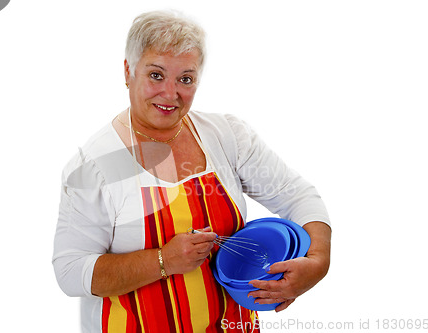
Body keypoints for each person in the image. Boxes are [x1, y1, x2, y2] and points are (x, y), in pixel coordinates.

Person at [52, 10, 331, 333]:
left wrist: (318, 261)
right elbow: (70, 271)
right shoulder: (99, 165)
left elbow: (298, 196)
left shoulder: (225, 135)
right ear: (128, 72)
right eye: (156, 75)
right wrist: (163, 261)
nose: (171, 94)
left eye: (185, 79)